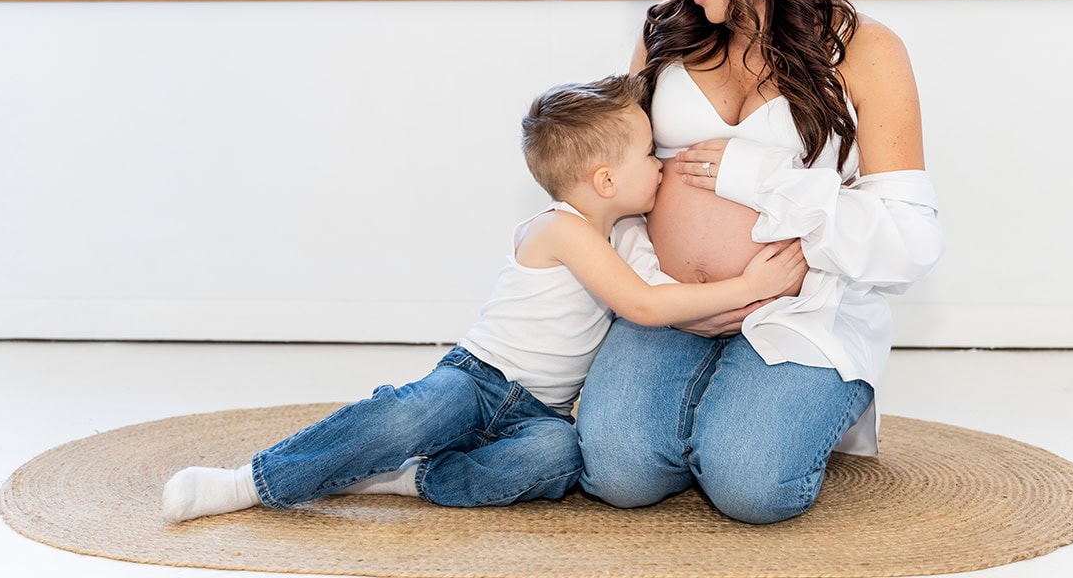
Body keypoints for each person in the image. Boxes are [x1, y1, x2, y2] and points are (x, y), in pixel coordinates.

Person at [161, 73, 808, 523]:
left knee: (561, 459)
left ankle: (411, 479)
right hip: (478, 380)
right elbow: (641, 305)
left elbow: (662, 288)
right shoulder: (561, 230)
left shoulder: (626, 232)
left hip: (540, 411)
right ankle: (254, 481)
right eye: (649, 153)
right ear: (607, 179)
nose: (661, 161)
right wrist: (750, 286)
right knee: (405, 418)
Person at [575, 0, 947, 525]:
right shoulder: (664, 36)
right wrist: (658, 290)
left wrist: (758, 177)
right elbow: (612, 191)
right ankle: (717, 402)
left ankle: (794, 402)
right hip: (671, 300)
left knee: (750, 485)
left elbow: (911, 241)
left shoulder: (865, 50)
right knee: (619, 472)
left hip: (799, 309)